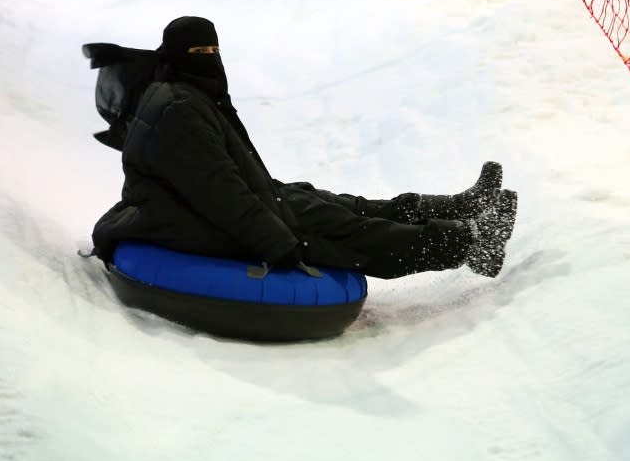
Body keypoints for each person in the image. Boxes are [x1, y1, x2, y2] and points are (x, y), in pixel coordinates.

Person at [83, 16, 517, 280]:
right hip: (196, 222)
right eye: (199, 50)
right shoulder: (178, 108)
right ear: (176, 55)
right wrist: (273, 239)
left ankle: (461, 206)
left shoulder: (184, 92)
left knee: (344, 205)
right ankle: (472, 245)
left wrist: (275, 197)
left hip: (222, 203)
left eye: (213, 48)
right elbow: (218, 191)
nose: (209, 56)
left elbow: (226, 176)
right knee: (352, 235)